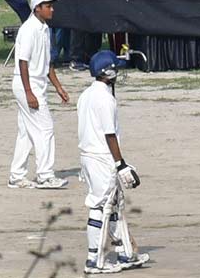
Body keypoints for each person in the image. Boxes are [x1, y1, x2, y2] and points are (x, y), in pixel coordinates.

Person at [77, 51, 149, 274]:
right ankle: (94, 260)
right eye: (115, 69)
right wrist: (120, 164)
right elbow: (109, 135)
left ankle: (125, 254)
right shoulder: (105, 99)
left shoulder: (86, 94)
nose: (118, 72)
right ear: (107, 73)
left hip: (88, 156)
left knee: (115, 205)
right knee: (101, 207)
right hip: (102, 158)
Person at [7, 0, 70, 189]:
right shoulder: (29, 29)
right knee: (45, 128)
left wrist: (58, 86)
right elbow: (23, 62)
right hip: (28, 84)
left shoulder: (44, 28)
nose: (52, 9)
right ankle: (45, 175)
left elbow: (47, 62)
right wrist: (28, 92)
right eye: (48, 6)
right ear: (37, 8)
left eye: (52, 6)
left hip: (36, 84)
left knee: (26, 132)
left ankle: (16, 176)